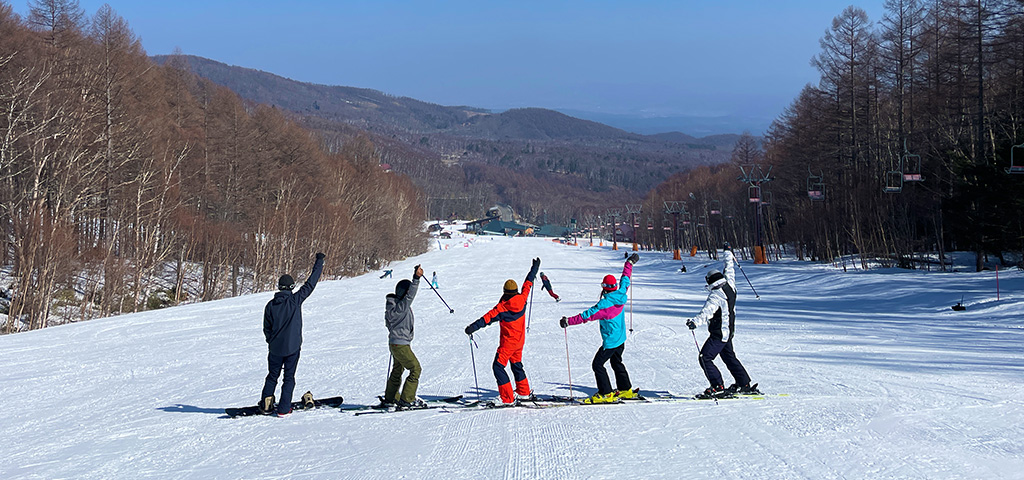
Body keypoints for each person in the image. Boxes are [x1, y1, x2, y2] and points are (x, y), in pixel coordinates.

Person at [560, 253, 639, 404]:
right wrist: (629, 263)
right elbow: (625, 278)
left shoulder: (604, 305)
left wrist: (568, 321)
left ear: (604, 288)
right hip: (621, 339)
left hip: (611, 341)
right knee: (616, 363)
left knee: (597, 364)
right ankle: (625, 389)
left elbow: (586, 316)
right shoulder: (621, 293)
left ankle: (606, 393)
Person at [464, 257, 541, 404]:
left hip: (507, 344)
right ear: (516, 291)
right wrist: (535, 268)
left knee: (498, 367)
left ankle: (507, 398)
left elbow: (485, 319)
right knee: (516, 364)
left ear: (505, 292)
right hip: (519, 342)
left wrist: (471, 328)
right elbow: (528, 283)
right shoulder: (522, 299)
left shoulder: (502, 308)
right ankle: (523, 392)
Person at [685, 244, 754, 398]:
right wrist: (728, 252)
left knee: (705, 358)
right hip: (729, 331)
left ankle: (718, 386)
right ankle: (744, 383)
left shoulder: (716, 295)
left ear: (711, 281)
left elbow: (707, 312)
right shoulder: (730, 285)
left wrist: (695, 322)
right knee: (729, 356)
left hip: (719, 333)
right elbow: (730, 267)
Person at [260, 252, 325, 415]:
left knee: (272, 377)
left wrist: (271, 341)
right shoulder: (295, 301)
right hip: (292, 348)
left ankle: (267, 404)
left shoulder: (270, 305)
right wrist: (320, 262)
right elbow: (310, 284)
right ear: (291, 287)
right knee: (288, 378)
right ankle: (283, 408)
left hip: (275, 349)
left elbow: (266, 327)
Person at [382, 264, 425, 409]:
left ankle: (390, 398)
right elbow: (410, 295)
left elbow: (389, 324)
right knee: (415, 369)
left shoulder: (391, 307)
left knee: (398, 369)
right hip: (401, 344)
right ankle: (406, 400)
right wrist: (416, 278)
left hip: (394, 343)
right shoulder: (401, 307)